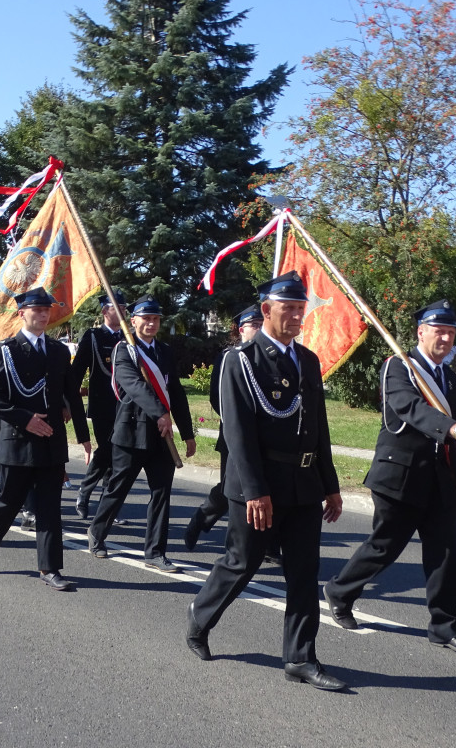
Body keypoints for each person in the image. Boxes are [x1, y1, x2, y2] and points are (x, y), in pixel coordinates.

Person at [185, 271, 345, 690]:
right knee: (242, 563)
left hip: (304, 484)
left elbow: (318, 428)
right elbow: (237, 432)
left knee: (305, 572)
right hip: (259, 485)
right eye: (288, 309)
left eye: (300, 308)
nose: (296, 316)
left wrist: (330, 484)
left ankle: (300, 658)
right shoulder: (241, 360)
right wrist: (255, 491)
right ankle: (200, 617)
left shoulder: (307, 360)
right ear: (266, 311)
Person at [322, 300, 456, 655]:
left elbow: (443, 435)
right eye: (438, 330)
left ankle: (444, 626)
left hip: (440, 478)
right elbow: (410, 410)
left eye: (451, 332)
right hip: (401, 475)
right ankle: (340, 590)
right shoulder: (399, 367)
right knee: (385, 546)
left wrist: (455, 474)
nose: (445, 337)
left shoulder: (448, 376)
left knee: (444, 552)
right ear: (420, 332)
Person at [0, 288, 91, 590]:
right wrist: (26, 419)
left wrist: (84, 437)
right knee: (7, 501)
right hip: (18, 440)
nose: (43, 314)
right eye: (36, 309)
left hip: (51, 440)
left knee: (49, 506)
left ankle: (49, 568)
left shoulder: (59, 351)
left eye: (46, 309)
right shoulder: (6, 349)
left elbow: (72, 395)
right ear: (22, 313)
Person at [86, 294, 196, 573]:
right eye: (146, 318)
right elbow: (134, 386)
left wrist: (187, 432)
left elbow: (177, 393)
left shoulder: (166, 352)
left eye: (156, 318)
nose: (151, 323)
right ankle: (97, 533)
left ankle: (155, 552)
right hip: (132, 432)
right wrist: (160, 413)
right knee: (118, 488)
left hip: (162, 436)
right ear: (132, 321)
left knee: (161, 494)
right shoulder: (124, 350)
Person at [183, 304, 279, 562]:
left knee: (269, 487)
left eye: (262, 324)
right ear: (241, 329)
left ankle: (269, 546)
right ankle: (201, 519)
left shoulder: (270, 357)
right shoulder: (231, 356)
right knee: (232, 490)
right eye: (254, 325)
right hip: (236, 437)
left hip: (269, 439)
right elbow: (218, 398)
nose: (259, 329)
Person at [71, 289, 127, 519]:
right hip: (103, 406)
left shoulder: (128, 337)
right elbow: (76, 374)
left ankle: (107, 506)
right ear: (105, 311)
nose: (123, 310)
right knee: (106, 451)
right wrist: (68, 402)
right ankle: (85, 491)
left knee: (118, 456)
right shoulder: (93, 337)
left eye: (124, 307)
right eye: (118, 307)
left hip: (125, 407)